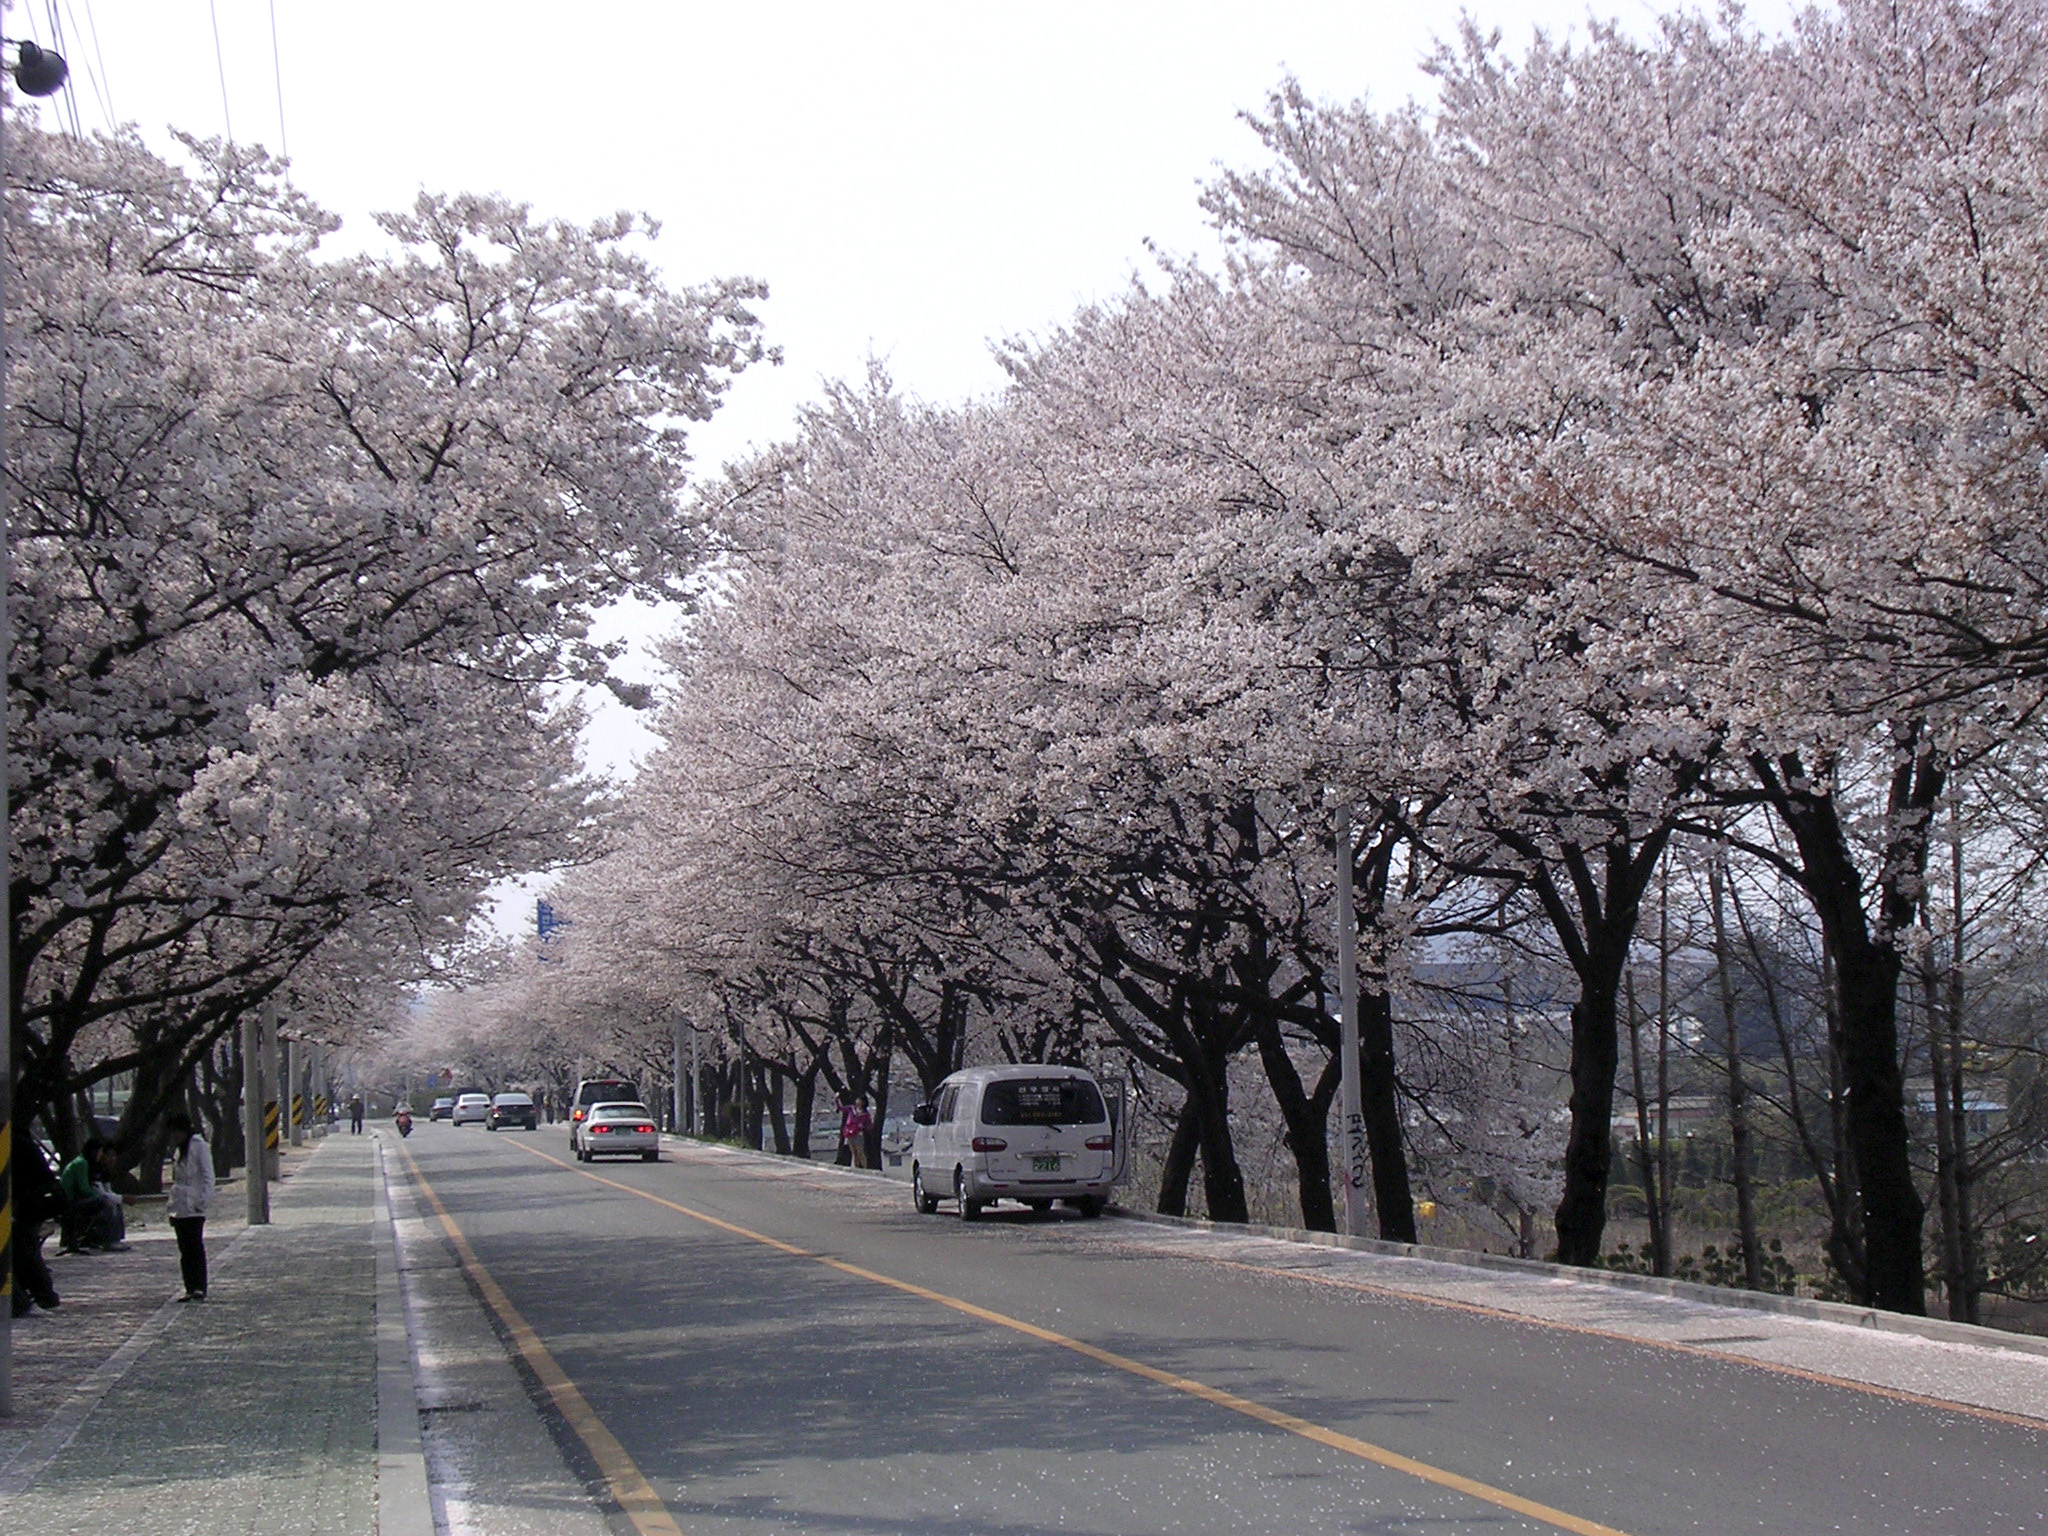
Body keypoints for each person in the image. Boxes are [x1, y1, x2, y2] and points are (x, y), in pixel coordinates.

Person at [10, 1124, 63, 1316]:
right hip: (37, 1201)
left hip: (31, 1203)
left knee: (24, 1249)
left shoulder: (14, 1145)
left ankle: (36, 1295)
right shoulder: (22, 1142)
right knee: (26, 1248)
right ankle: (41, 1293)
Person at [164, 1110, 215, 1302]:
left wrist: (202, 1202)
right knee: (184, 1250)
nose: (174, 1136)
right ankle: (189, 1287)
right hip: (179, 1207)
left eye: (176, 1132)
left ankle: (199, 1287)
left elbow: (209, 1177)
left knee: (195, 1247)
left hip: (194, 1206)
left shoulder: (199, 1146)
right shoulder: (179, 1150)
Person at [58, 1136, 129, 1252]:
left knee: (111, 1201)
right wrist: (101, 1197)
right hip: (68, 1202)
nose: (100, 1155)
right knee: (105, 1201)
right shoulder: (82, 1163)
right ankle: (109, 1241)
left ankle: (116, 1239)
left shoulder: (86, 1163)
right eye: (101, 1152)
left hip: (73, 1200)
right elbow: (84, 1188)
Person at [842, 1094, 874, 1171]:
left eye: (859, 1100)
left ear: (863, 1102)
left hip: (858, 1134)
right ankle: (856, 1169)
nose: (857, 1101)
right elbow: (841, 1108)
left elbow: (869, 1126)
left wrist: (862, 1126)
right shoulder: (851, 1109)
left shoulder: (865, 1114)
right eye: (857, 1099)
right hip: (849, 1133)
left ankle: (865, 1168)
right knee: (854, 1152)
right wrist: (836, 1099)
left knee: (860, 1151)